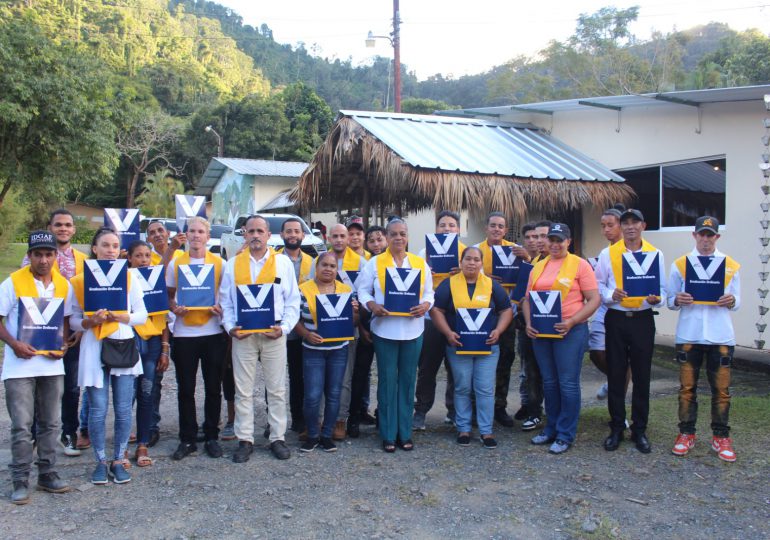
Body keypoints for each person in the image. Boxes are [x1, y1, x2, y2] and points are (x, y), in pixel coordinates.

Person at [220, 215, 300, 462]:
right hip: (243, 335)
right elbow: (226, 301)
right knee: (243, 390)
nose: (255, 235)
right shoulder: (233, 264)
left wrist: (284, 328)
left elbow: (292, 300)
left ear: (268, 235)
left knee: (276, 389)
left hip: (273, 333)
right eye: (250, 231)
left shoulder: (282, 264)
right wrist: (230, 327)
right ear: (244, 234)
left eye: (259, 231)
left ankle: (277, 437)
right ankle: (245, 439)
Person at [71, 228, 148, 484]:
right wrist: (90, 321)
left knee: (124, 409)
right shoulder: (81, 280)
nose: (111, 250)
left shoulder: (129, 278)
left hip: (122, 346)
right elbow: (72, 320)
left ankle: (118, 459)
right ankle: (101, 461)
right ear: (94, 248)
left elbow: (141, 315)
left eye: (115, 246)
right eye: (105, 245)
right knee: (98, 408)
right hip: (94, 348)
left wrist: (120, 317)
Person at [1, 231, 73, 504]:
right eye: (38, 254)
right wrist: (15, 344)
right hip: (19, 368)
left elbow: (65, 320)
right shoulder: (13, 282)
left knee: (52, 424)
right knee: (21, 425)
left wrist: (64, 345)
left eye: (49, 254)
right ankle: (20, 480)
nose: (44, 260)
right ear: (29, 256)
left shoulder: (62, 284)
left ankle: (48, 474)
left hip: (52, 367)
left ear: (56, 256)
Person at [357, 218, 434, 452]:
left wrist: (426, 305)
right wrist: (371, 305)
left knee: (408, 381)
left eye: (402, 234)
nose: (398, 238)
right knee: (388, 380)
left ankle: (405, 431)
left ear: (408, 236)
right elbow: (362, 289)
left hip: (413, 330)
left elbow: (430, 292)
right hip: (385, 330)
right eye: (393, 234)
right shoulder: (375, 263)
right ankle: (388, 433)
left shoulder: (420, 263)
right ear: (387, 237)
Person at [522, 224, 600, 454]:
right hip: (542, 333)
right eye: (551, 239)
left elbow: (594, 299)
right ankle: (551, 428)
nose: (555, 244)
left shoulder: (580, 265)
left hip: (569, 331)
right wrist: (528, 323)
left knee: (567, 383)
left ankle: (566, 433)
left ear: (569, 241)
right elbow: (527, 299)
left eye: (560, 240)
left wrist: (572, 322)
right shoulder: (539, 266)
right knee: (549, 382)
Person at [667, 216, 740, 462]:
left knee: (721, 391)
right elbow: (670, 299)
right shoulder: (681, 264)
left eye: (710, 235)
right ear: (694, 235)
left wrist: (732, 300)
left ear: (717, 237)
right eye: (702, 234)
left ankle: (721, 436)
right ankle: (686, 433)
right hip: (690, 334)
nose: (706, 239)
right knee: (687, 389)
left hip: (720, 336)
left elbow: (737, 301)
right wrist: (678, 299)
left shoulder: (730, 265)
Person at [595, 209, 666, 454]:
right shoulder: (608, 254)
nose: (630, 226)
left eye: (635, 221)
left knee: (642, 376)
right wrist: (609, 296)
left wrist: (657, 299)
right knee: (615, 374)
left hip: (643, 319)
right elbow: (599, 285)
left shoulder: (655, 254)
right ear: (621, 227)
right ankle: (616, 428)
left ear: (643, 225)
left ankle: (640, 430)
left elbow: (663, 290)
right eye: (625, 223)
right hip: (616, 318)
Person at [430, 246, 513, 449]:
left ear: (481, 263)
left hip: (487, 347)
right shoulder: (449, 284)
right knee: (462, 387)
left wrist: (499, 331)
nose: (472, 263)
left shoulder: (492, 285)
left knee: (485, 389)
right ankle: (464, 428)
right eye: (468, 259)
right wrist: (448, 332)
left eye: (476, 259)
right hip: (458, 346)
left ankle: (486, 431)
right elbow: (436, 309)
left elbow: (506, 310)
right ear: (461, 262)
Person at [22, 209, 87, 456]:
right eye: (58, 224)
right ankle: (38, 435)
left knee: (71, 387)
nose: (63, 228)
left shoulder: (83, 259)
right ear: (50, 227)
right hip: (39, 330)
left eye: (67, 225)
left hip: (71, 332)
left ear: (73, 229)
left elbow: (86, 296)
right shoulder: (33, 259)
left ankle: (69, 433)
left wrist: (78, 329)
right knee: (41, 385)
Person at [166, 216, 227, 461]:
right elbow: (168, 295)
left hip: (213, 333)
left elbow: (227, 295)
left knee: (213, 388)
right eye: (192, 231)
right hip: (184, 333)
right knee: (185, 389)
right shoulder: (175, 263)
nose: (196, 235)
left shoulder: (220, 263)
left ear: (208, 236)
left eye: (201, 231)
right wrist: (174, 308)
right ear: (186, 235)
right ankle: (188, 438)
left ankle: (212, 435)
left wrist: (221, 308)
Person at [294, 253, 359, 452]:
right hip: (313, 350)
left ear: (337, 269)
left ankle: (327, 434)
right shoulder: (303, 289)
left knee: (334, 393)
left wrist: (354, 312)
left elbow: (354, 322)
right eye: (324, 265)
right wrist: (306, 334)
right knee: (313, 395)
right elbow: (293, 318)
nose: (328, 269)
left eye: (332, 266)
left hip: (338, 350)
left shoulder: (345, 290)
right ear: (317, 266)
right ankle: (312, 434)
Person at [474, 212, 530, 428]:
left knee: (505, 359)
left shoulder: (515, 250)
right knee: (478, 359)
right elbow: (465, 274)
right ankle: (476, 407)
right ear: (486, 228)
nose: (497, 229)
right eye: (493, 225)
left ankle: (499, 406)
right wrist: (485, 277)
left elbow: (529, 276)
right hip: (481, 315)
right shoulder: (476, 251)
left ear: (505, 230)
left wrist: (526, 259)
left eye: (501, 226)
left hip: (507, 314)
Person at [312, 223, 366, 440]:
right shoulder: (319, 261)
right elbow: (310, 290)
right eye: (334, 236)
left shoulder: (362, 263)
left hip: (348, 328)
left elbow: (365, 295)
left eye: (343, 236)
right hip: (322, 328)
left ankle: (340, 420)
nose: (339, 240)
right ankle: (321, 419)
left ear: (349, 238)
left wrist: (357, 311)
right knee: (321, 378)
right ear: (329, 238)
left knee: (344, 378)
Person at [413, 210, 466, 430]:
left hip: (458, 317)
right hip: (430, 317)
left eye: (451, 225)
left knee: (456, 367)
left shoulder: (466, 254)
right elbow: (414, 284)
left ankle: (454, 410)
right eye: (442, 225)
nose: (447, 229)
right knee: (428, 366)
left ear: (459, 229)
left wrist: (461, 272)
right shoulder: (423, 253)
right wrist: (426, 270)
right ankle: (421, 410)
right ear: (436, 228)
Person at [127, 241, 170, 467]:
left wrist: (165, 348)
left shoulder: (156, 280)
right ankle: (122, 444)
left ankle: (142, 441)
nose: (143, 260)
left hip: (152, 344)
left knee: (147, 393)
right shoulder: (123, 281)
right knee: (126, 396)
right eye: (138, 256)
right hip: (130, 341)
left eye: (147, 256)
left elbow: (163, 320)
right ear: (130, 259)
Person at [141, 220, 181, 447]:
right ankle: (150, 426)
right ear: (147, 238)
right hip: (159, 328)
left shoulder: (184, 257)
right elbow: (156, 278)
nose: (157, 235)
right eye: (152, 233)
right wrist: (172, 249)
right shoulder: (145, 258)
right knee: (153, 380)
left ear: (167, 233)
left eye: (160, 231)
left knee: (187, 380)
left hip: (184, 325)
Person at [347, 225, 388, 436]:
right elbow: (361, 298)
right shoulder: (368, 265)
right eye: (372, 241)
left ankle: (384, 415)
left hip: (389, 328)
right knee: (360, 374)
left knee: (387, 374)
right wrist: (362, 328)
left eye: (380, 239)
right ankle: (354, 417)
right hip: (367, 328)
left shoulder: (396, 263)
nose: (376, 244)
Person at [588, 205, 631, 402]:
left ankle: (618, 409)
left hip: (630, 309)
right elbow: (599, 283)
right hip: (606, 306)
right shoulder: (606, 253)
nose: (606, 230)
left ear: (621, 226)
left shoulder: (634, 249)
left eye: (610, 225)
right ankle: (615, 378)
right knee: (596, 351)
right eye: (603, 226)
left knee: (623, 358)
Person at [276, 217, 314, 435]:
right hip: (280, 328)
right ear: (282, 235)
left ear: (303, 235)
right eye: (288, 231)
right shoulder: (272, 260)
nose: (292, 235)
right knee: (276, 377)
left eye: (296, 231)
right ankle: (274, 420)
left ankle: (298, 419)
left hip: (305, 328)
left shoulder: (312, 261)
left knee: (300, 376)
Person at [514, 223, 543, 430]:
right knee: (528, 369)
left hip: (552, 323)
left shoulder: (556, 262)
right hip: (526, 322)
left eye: (539, 236)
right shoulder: (519, 261)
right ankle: (530, 407)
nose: (534, 241)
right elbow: (521, 295)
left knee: (548, 371)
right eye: (530, 237)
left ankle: (545, 409)